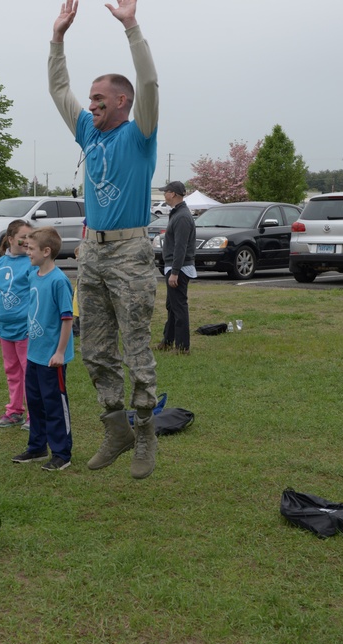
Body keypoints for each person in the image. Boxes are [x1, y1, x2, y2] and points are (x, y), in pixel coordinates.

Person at [49, 0, 161, 479]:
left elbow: (150, 83)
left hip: (131, 252)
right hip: (91, 251)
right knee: (94, 349)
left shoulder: (140, 135)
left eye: (99, 98)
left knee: (135, 346)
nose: (90, 103)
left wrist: (131, 26)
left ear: (121, 102)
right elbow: (58, 89)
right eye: (90, 97)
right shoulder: (88, 134)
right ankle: (115, 427)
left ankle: (145, 432)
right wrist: (57, 39)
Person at [10, 228, 75, 471]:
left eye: (31, 249)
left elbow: (67, 319)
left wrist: (59, 353)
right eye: (26, 247)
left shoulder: (59, 281)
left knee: (54, 404)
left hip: (52, 357)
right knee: (35, 402)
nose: (27, 252)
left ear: (46, 252)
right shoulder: (34, 275)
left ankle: (62, 453)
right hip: (34, 354)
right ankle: (37, 447)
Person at [0, 220, 33, 428]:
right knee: (12, 371)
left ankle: (35, 416)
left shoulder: (33, 262)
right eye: (23, 236)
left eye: (31, 237)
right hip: (4, 330)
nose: (27, 241)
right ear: (11, 239)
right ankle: (14, 411)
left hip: (26, 330)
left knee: (29, 373)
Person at [157, 181, 196, 353]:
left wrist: (175, 272)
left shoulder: (182, 217)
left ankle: (182, 347)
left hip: (178, 268)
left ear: (173, 194)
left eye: (166, 192)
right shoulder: (177, 214)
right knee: (171, 306)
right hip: (173, 267)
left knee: (179, 308)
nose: (164, 195)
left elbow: (181, 246)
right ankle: (167, 341)